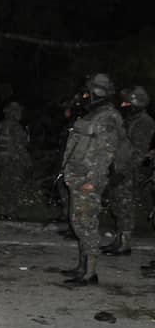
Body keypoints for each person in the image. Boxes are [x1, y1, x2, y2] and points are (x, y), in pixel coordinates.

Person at [60, 73, 122, 286]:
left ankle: (90, 273)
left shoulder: (108, 117)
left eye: (89, 91)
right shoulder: (92, 114)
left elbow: (106, 153)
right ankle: (81, 266)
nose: (86, 94)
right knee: (78, 222)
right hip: (77, 175)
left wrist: (92, 179)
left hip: (88, 178)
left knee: (87, 223)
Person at [101, 87, 153, 256]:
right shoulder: (131, 119)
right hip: (119, 166)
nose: (123, 105)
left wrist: (123, 172)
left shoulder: (144, 122)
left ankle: (125, 243)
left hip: (128, 170)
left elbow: (138, 151)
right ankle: (119, 240)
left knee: (125, 206)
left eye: (127, 102)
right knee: (117, 204)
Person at [0, 101, 31, 220]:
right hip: (14, 160)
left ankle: (3, 212)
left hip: (3, 160)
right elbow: (21, 145)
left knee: (5, 185)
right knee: (14, 186)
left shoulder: (0, 125)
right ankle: (11, 213)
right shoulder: (15, 126)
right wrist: (27, 160)